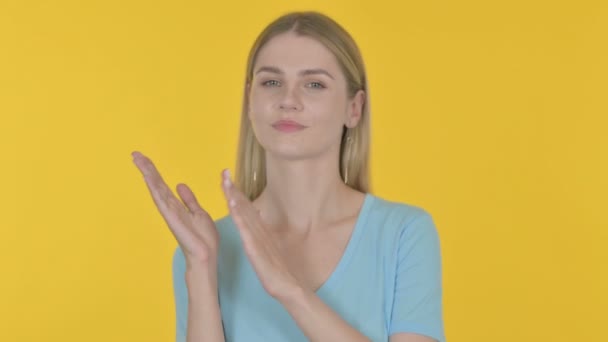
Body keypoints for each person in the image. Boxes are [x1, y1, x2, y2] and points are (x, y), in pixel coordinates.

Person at [132, 11, 445, 342]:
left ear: (354, 109)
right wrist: (201, 269)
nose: (288, 100)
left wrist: (289, 289)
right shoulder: (203, 249)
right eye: (271, 82)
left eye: (314, 84)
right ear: (250, 101)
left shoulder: (403, 235)